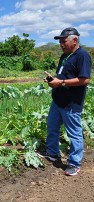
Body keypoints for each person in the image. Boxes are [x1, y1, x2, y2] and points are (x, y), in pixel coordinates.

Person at [37, 27, 92, 176]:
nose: (61, 44)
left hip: (71, 103)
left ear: (75, 40)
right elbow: (62, 76)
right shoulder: (64, 56)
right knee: (52, 126)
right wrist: (53, 80)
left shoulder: (82, 56)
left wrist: (61, 83)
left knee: (74, 133)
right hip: (58, 100)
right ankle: (52, 153)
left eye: (63, 41)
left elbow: (85, 79)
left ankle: (74, 163)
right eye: (60, 42)